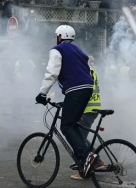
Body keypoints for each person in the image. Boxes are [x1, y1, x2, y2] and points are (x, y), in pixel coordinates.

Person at [35, 25, 97, 179]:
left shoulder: (57, 50)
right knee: (73, 124)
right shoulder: (79, 51)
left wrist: (42, 94)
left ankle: (86, 156)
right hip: (87, 88)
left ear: (60, 36)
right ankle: (86, 162)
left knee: (66, 126)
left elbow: (52, 73)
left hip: (76, 90)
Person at [70, 55, 105, 180]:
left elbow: (84, 93)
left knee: (79, 140)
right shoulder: (91, 70)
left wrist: (78, 112)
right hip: (92, 108)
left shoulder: (85, 72)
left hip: (87, 109)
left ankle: (84, 171)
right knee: (82, 138)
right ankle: (97, 161)